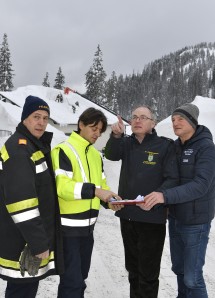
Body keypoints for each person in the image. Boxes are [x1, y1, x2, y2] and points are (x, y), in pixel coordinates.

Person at [105, 105, 179, 298]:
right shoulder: (126, 143)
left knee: (148, 275)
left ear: (153, 123)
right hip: (128, 217)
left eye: (143, 117)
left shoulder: (165, 145)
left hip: (152, 219)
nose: (137, 120)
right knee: (133, 271)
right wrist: (115, 136)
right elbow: (111, 154)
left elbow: (172, 178)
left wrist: (159, 195)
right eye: (134, 117)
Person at [142, 103, 215, 298]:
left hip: (196, 222)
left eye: (181, 119)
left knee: (192, 277)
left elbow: (201, 185)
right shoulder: (175, 146)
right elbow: (169, 177)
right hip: (175, 218)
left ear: (192, 121)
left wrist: (164, 196)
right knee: (179, 270)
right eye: (173, 119)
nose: (175, 123)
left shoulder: (206, 147)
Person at [51, 107, 122, 298]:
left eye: (100, 130)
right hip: (67, 230)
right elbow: (63, 187)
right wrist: (95, 191)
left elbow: (102, 185)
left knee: (80, 279)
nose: (97, 134)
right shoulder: (63, 150)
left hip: (88, 230)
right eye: (93, 128)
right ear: (81, 125)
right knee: (72, 284)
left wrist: (109, 201)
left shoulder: (95, 155)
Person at [0, 95, 64, 298]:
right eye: (36, 116)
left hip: (26, 238)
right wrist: (38, 243)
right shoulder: (20, 150)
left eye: (45, 118)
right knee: (21, 291)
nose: (41, 123)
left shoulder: (32, 146)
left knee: (24, 289)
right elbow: (21, 203)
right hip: (22, 241)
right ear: (25, 118)